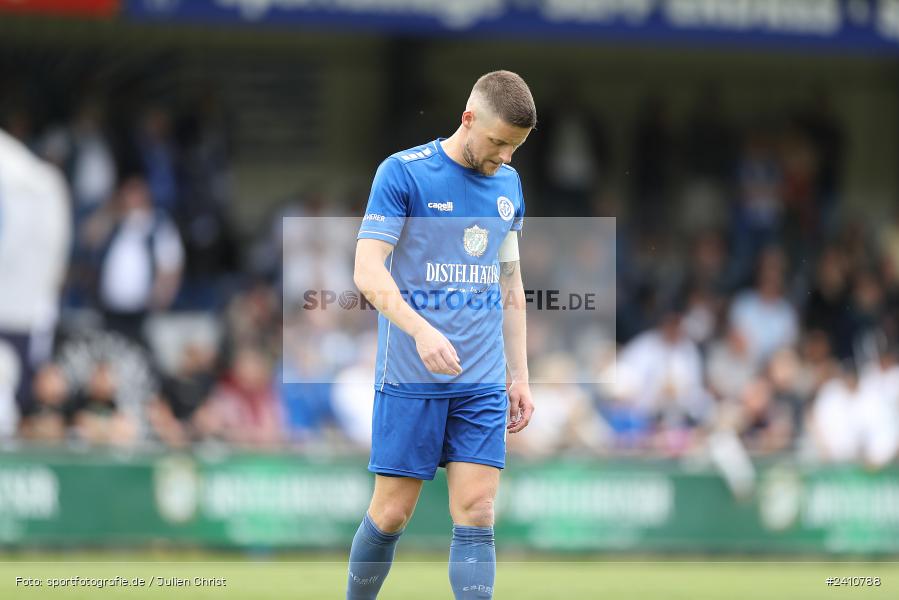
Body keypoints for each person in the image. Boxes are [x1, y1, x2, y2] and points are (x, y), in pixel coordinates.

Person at [347, 70, 536, 600]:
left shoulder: (509, 185)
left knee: (477, 511)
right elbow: (366, 270)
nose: (505, 157)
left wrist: (520, 375)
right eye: (498, 142)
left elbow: (511, 285)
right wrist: (421, 331)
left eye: (515, 147)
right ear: (468, 118)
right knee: (391, 513)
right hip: (411, 374)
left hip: (480, 380)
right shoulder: (403, 174)